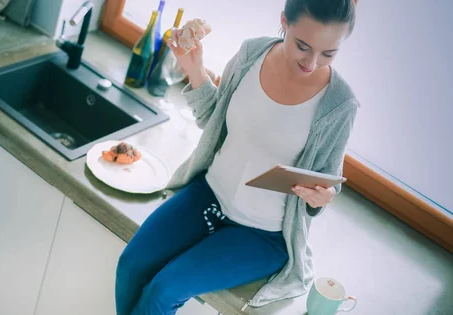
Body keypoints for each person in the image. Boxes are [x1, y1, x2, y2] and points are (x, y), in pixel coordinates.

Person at [115, 0, 359, 314]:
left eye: (328, 53)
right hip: (207, 195)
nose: (312, 62)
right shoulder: (251, 55)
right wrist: (195, 70)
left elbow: (328, 182)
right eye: (303, 46)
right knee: (131, 265)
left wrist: (320, 197)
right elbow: (214, 121)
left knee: (164, 289)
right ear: (284, 21)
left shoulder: (340, 105)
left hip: (262, 235)